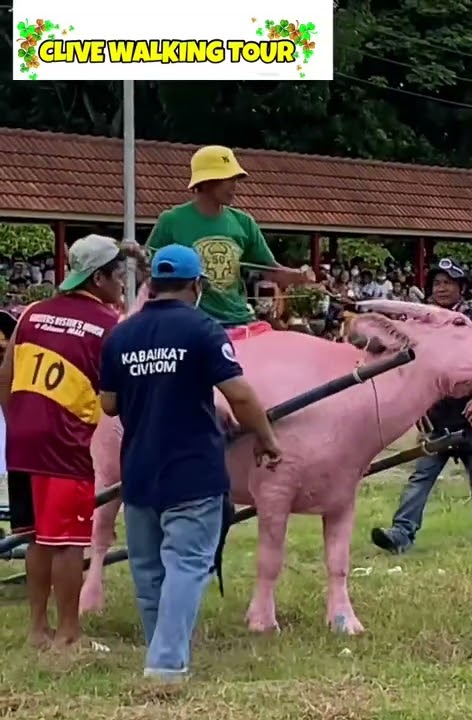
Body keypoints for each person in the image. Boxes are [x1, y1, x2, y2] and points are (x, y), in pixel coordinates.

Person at [98, 245, 282, 681]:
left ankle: (160, 648)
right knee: (186, 563)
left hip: (140, 469)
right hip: (193, 470)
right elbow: (238, 394)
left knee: (147, 569)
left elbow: (108, 404)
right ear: (197, 285)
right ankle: (165, 664)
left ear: (152, 283)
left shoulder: (121, 335)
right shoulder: (203, 329)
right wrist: (267, 438)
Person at [0, 235, 130, 649]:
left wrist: (17, 420)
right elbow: (116, 398)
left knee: (37, 536)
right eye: (118, 274)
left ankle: (39, 630)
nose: (122, 282)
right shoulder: (110, 326)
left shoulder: (32, 313)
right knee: (70, 542)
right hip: (65, 443)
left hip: (22, 439)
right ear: (99, 278)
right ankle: (70, 634)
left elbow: (5, 375)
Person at [371, 259, 472, 552]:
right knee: (421, 475)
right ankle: (401, 533)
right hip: (436, 413)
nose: (441, 288)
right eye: (437, 283)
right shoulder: (424, 323)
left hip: (470, 413)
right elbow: (416, 367)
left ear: (462, 288)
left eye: (448, 283)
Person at [145, 145, 310, 332]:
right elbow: (147, 268)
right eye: (228, 178)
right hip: (190, 324)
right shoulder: (172, 221)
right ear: (207, 181)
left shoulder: (244, 223)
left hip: (239, 321)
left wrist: (300, 276)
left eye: (235, 179)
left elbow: (270, 270)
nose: (234, 185)